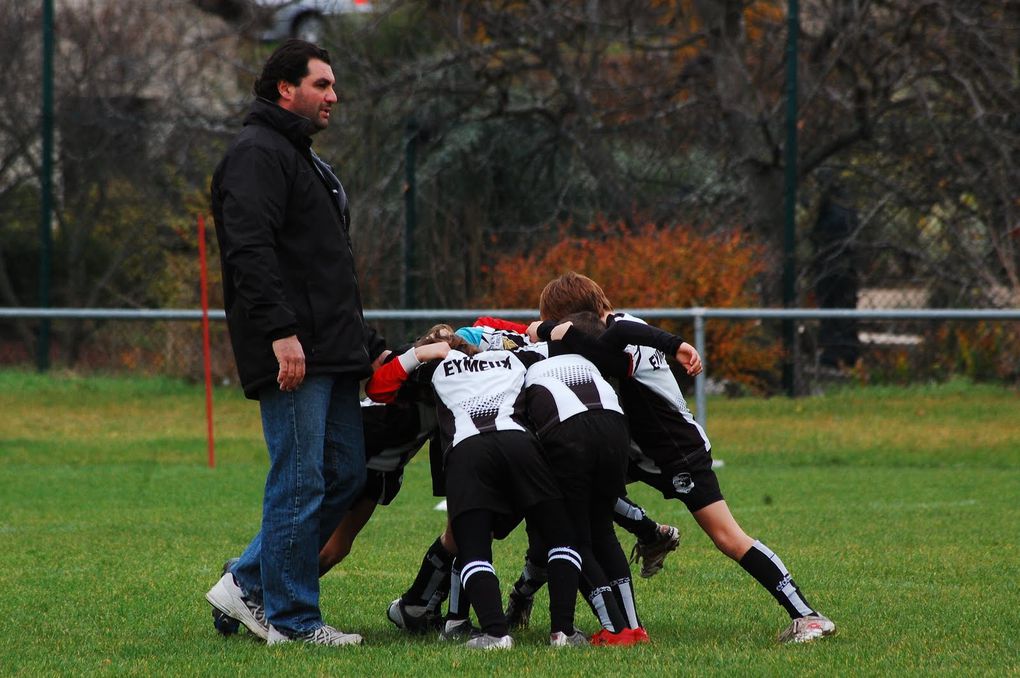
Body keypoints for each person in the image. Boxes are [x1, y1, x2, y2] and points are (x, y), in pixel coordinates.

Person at [533, 272, 838, 645]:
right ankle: (650, 535)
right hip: (635, 451)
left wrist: (676, 345)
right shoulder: (604, 330)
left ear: (568, 316)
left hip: (677, 453)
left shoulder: (618, 328)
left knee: (727, 537)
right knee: (578, 490)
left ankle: (807, 616)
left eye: (554, 319)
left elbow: (617, 357)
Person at [204, 39, 386, 648]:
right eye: (322, 84)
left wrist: (371, 346)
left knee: (343, 474)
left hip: (332, 351)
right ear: (287, 88)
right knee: (302, 478)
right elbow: (250, 253)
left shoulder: (301, 157)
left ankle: (247, 580)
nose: (334, 96)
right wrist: (281, 334)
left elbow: (326, 271)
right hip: (293, 352)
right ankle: (293, 618)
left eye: (333, 85)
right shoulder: (257, 154)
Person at [367, 326, 585, 649]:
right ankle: (563, 632)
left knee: (473, 548)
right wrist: (546, 330)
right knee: (561, 535)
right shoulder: (511, 357)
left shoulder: (435, 366)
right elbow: (574, 350)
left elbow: (378, 389)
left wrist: (418, 355)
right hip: (519, 446)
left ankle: (495, 634)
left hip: (468, 451)